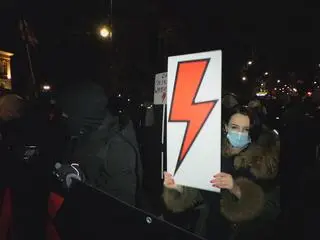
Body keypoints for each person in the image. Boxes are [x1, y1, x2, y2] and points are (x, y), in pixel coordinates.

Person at [163, 105, 280, 240]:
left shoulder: (262, 162)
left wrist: (235, 188)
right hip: (210, 229)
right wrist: (179, 188)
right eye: (235, 127)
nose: (240, 133)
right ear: (226, 127)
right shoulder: (211, 154)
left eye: (246, 129)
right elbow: (201, 196)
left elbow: (270, 209)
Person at [54, 81, 142, 206]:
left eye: (69, 112)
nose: (63, 116)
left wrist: (81, 184)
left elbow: (122, 206)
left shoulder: (117, 147)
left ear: (84, 112)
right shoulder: (82, 134)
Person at [0, 93, 66, 239]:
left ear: (10, 111)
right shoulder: (43, 126)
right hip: (35, 198)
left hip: (22, 198)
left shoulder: (13, 131)